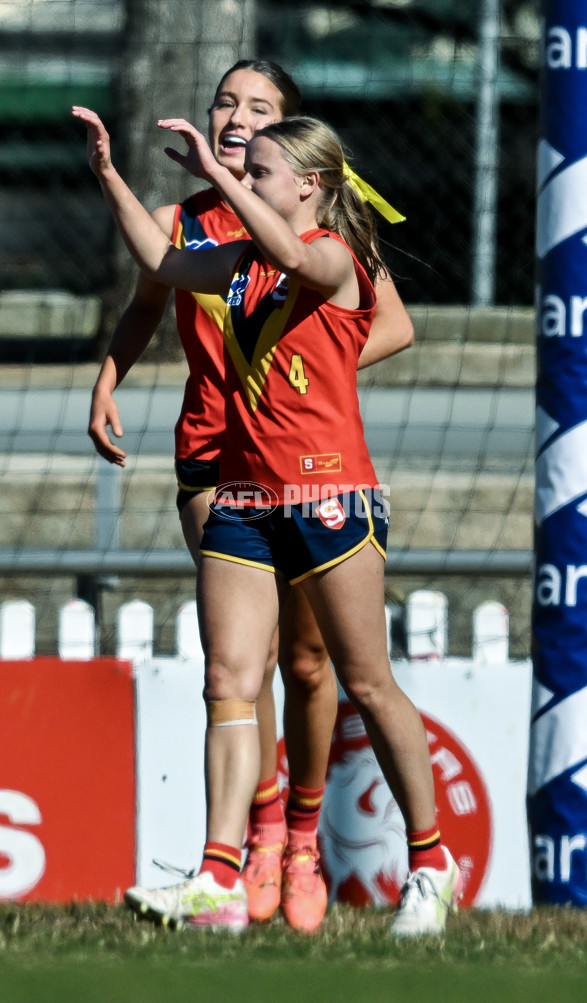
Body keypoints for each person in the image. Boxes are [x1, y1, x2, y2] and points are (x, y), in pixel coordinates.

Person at [74, 103, 463, 938]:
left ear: (310, 185)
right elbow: (161, 261)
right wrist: (107, 171)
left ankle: (432, 863)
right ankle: (218, 876)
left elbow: (293, 255)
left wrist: (219, 173)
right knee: (229, 679)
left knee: (366, 681)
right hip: (244, 501)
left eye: (259, 172)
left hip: (331, 499)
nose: (241, 181)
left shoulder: (334, 255)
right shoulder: (240, 262)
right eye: (240, 170)